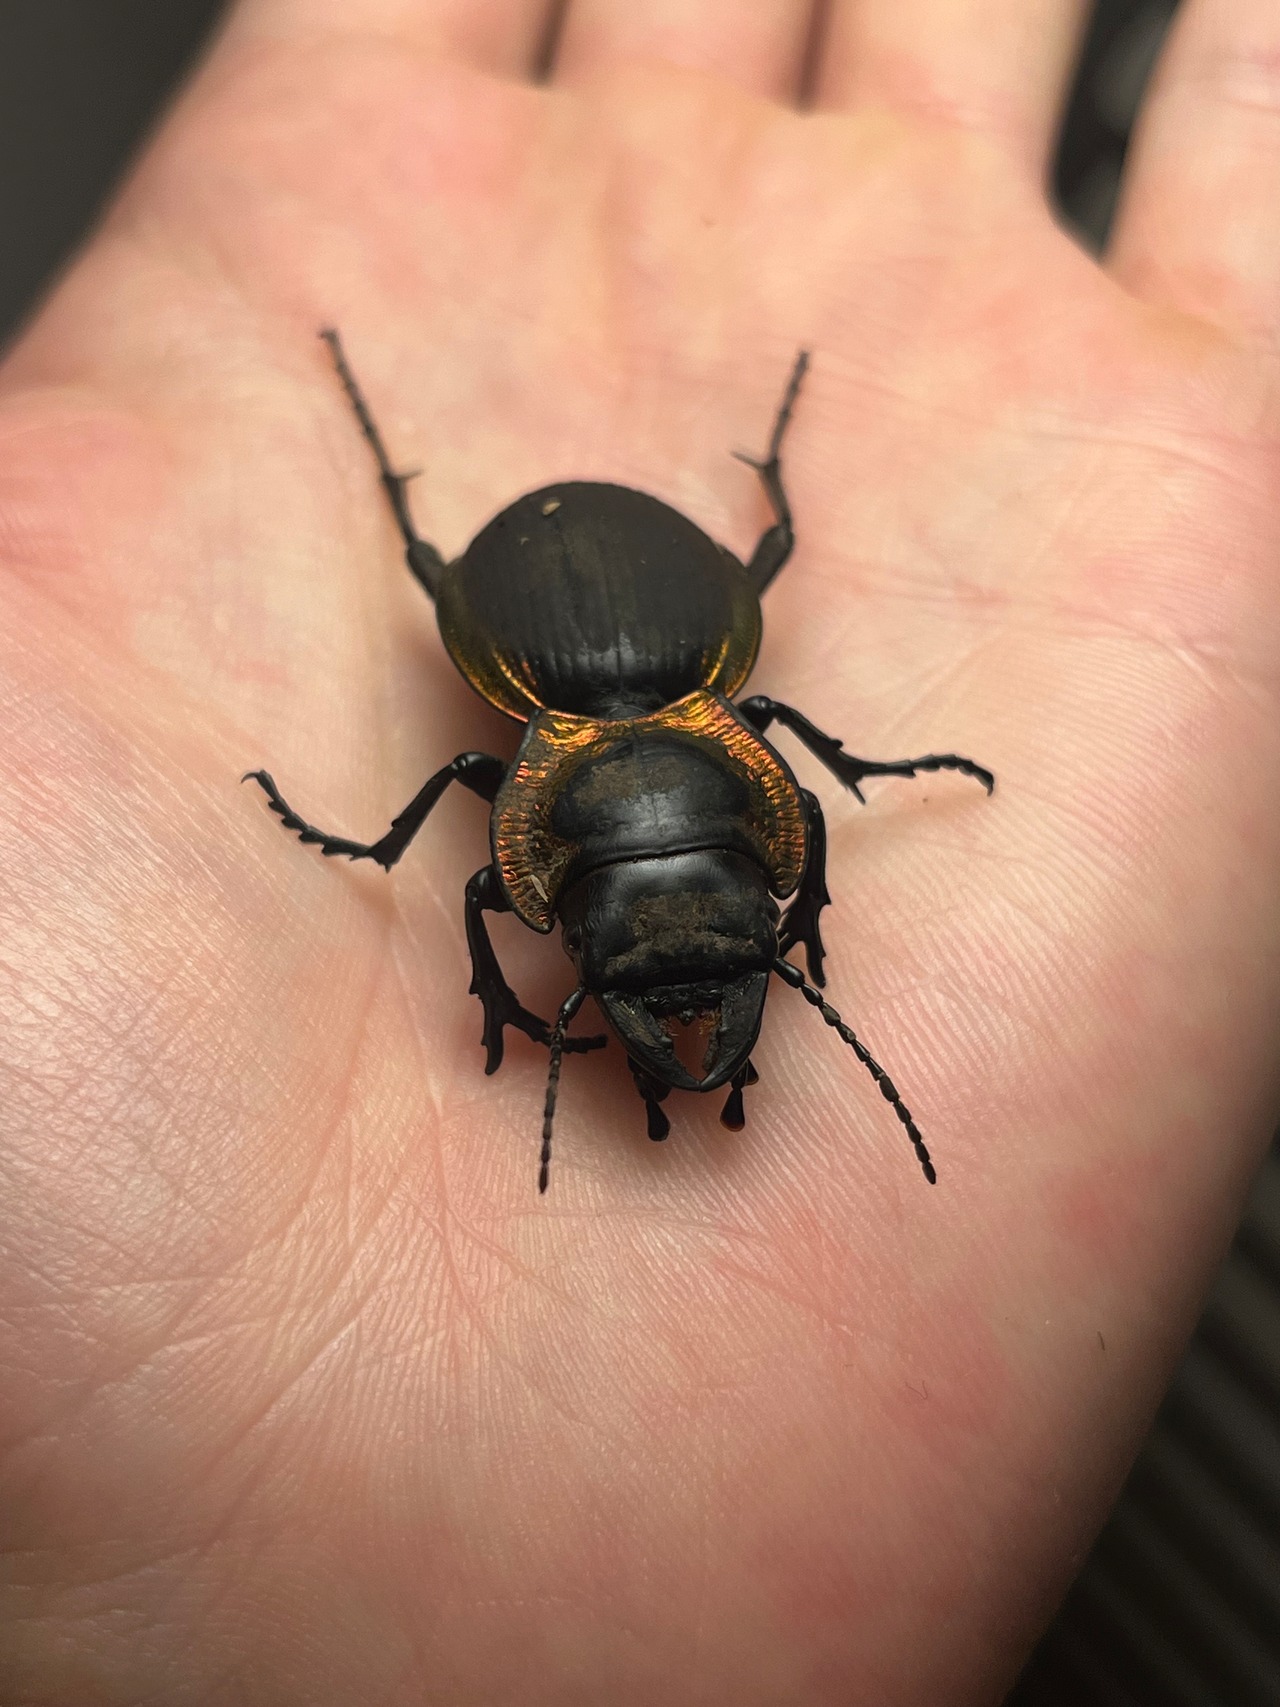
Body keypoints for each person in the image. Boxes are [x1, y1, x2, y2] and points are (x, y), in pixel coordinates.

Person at [0, 2, 1275, 1701]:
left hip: (593, 612)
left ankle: (417, 514)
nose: (687, 995)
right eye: (766, 919)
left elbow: (726, 812)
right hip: (606, 600)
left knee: (627, 692)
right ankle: (397, 490)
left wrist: (570, 992)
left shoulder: (662, 767)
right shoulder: (684, 739)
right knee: (624, 661)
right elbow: (755, 800)